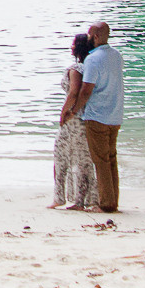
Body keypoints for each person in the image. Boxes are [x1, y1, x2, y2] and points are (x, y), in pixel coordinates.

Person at [78, 21, 125, 213]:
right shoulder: (117, 56)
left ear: (96, 37)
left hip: (97, 115)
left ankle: (105, 203)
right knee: (111, 159)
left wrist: (75, 110)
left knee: (101, 161)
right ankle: (113, 200)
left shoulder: (92, 59)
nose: (87, 38)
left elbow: (86, 90)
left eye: (89, 35)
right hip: (115, 114)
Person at [49, 33, 99, 210]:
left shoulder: (76, 68)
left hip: (74, 119)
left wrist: (65, 113)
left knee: (61, 156)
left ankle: (60, 197)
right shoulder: (92, 67)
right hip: (87, 116)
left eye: (72, 44)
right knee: (84, 159)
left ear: (77, 48)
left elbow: (74, 92)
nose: (70, 47)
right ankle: (85, 199)